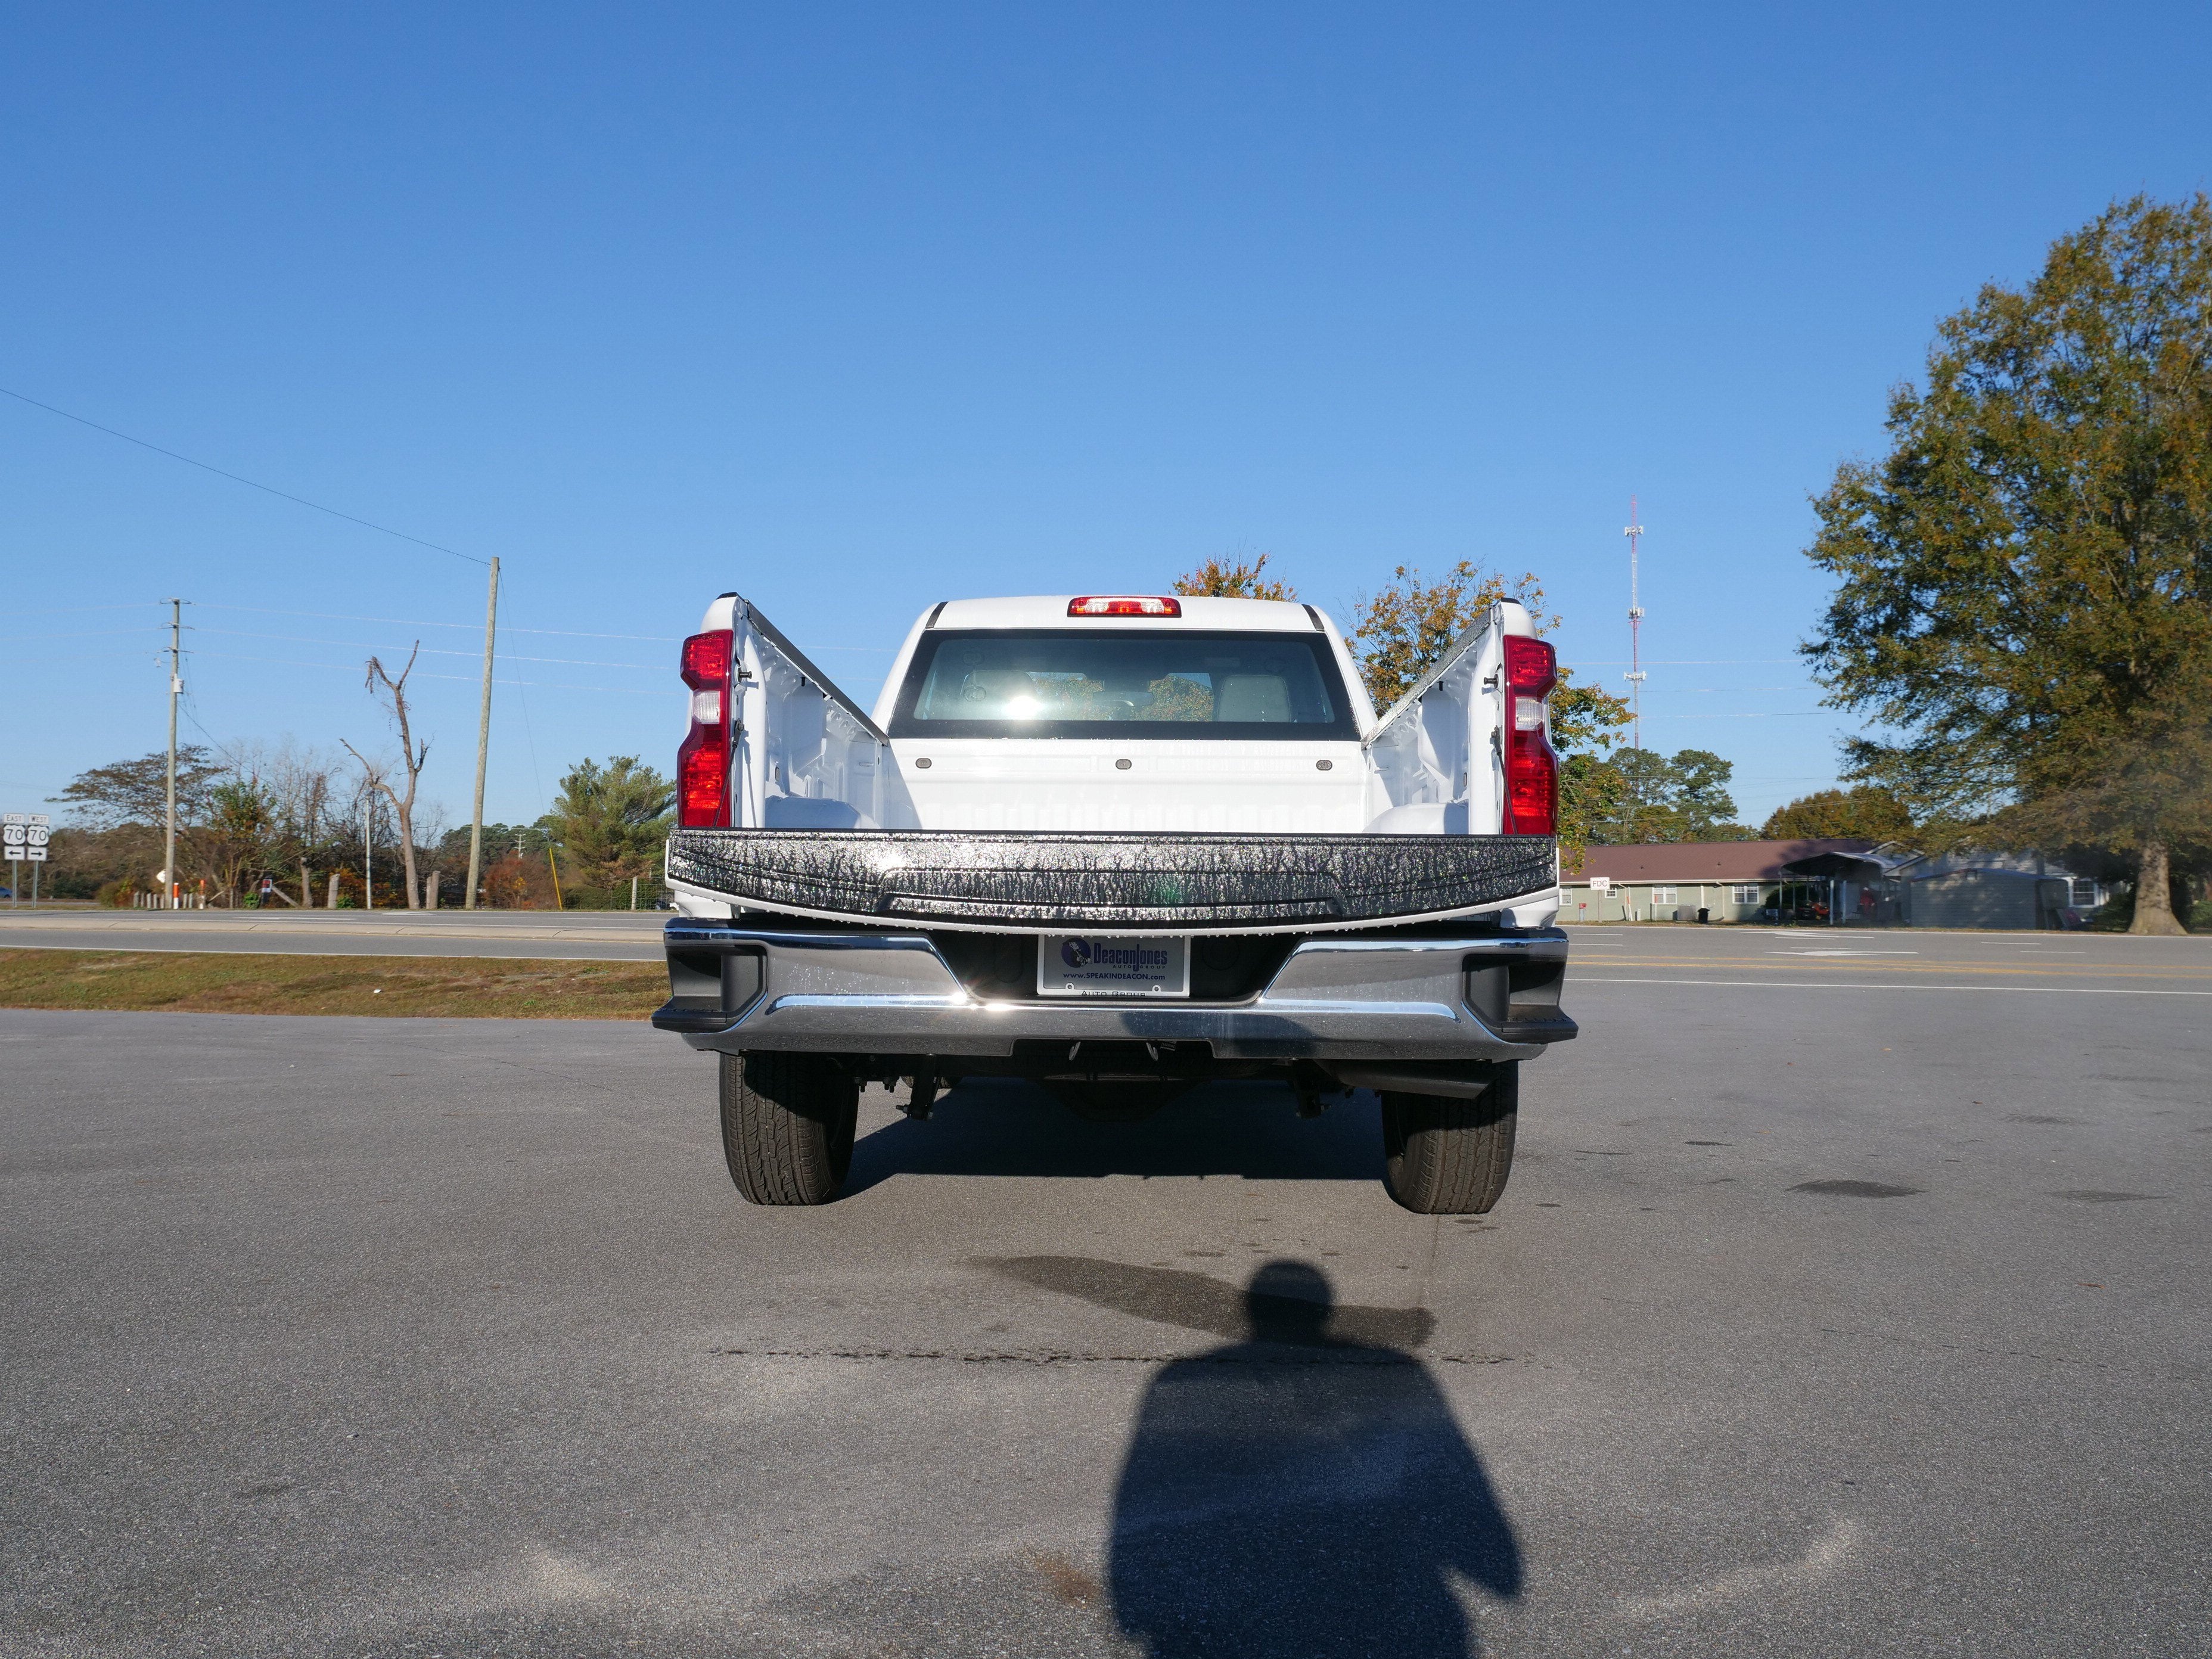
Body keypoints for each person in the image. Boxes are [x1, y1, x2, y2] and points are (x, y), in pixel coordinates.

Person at [1108, 1261, 1523, 1657]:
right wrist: (1495, 1564)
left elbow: (1140, 1481)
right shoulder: (1399, 1368)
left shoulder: (1180, 1376)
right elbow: (1496, 1562)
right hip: (1393, 1609)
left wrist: (1129, 1599)